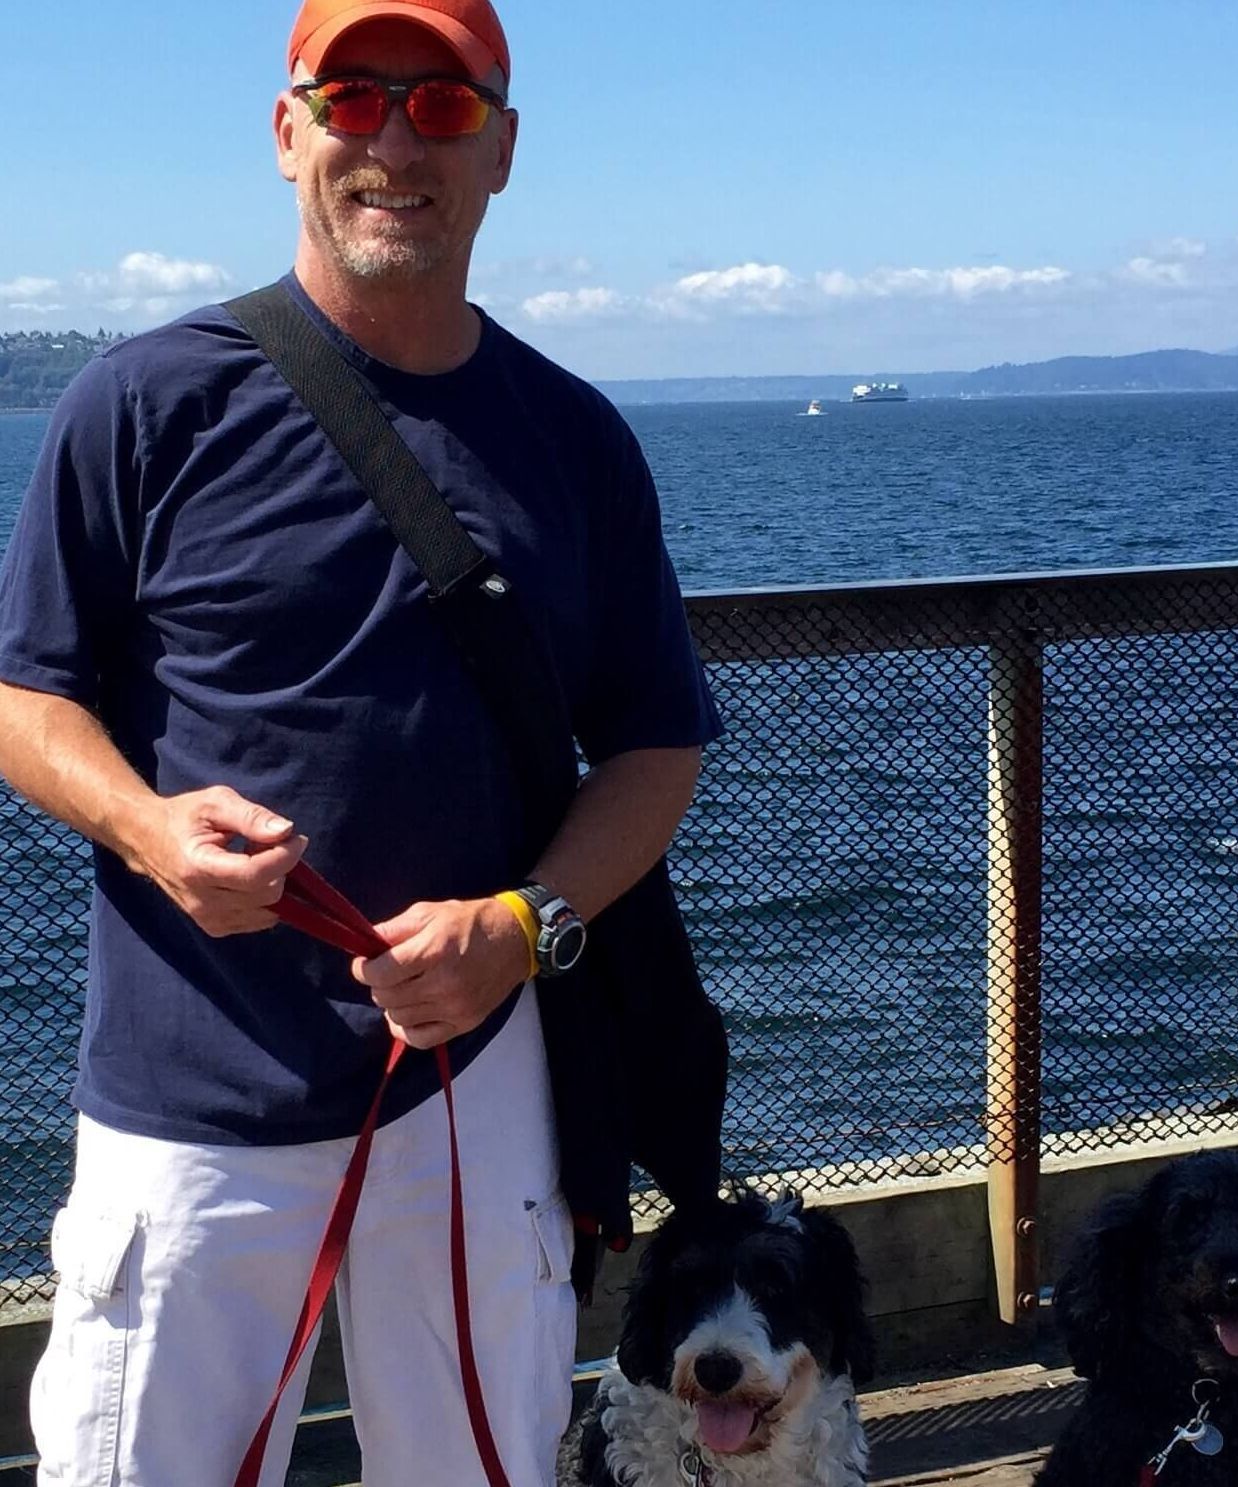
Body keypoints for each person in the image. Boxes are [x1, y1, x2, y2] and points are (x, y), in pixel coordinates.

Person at [0, 0, 723, 1481]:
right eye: (354, 96)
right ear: (288, 133)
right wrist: (147, 828)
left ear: (503, 151)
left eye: (443, 106)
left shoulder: (578, 439)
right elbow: (24, 697)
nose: (395, 139)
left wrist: (522, 926)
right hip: (192, 1109)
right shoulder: (142, 401)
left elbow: (655, 746)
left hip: (475, 1101)